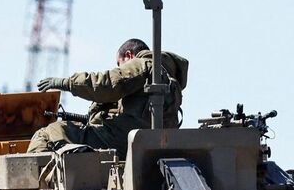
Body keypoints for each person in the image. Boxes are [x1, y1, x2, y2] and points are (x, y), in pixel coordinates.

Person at [28, 38, 189, 154]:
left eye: (119, 64)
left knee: (49, 133)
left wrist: (65, 83)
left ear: (129, 55)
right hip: (151, 143)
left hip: (122, 140)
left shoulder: (142, 64)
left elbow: (108, 84)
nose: (119, 68)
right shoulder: (167, 75)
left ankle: (34, 187)